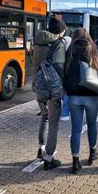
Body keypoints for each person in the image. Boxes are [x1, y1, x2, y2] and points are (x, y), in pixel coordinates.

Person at [64, 28, 98, 174]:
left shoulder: (70, 50)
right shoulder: (93, 49)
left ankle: (75, 161)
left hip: (74, 95)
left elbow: (64, 71)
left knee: (76, 129)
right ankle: (92, 153)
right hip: (91, 94)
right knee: (92, 125)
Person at [32, 17, 67, 170]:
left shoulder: (38, 41)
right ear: (61, 31)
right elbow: (59, 66)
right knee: (53, 122)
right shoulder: (58, 44)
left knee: (44, 117)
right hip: (53, 89)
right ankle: (49, 157)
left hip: (38, 85)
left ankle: (41, 149)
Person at [60, 34, 72, 121]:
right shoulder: (71, 52)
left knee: (64, 95)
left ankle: (64, 113)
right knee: (66, 95)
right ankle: (65, 113)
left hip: (62, 77)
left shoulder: (60, 51)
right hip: (66, 77)